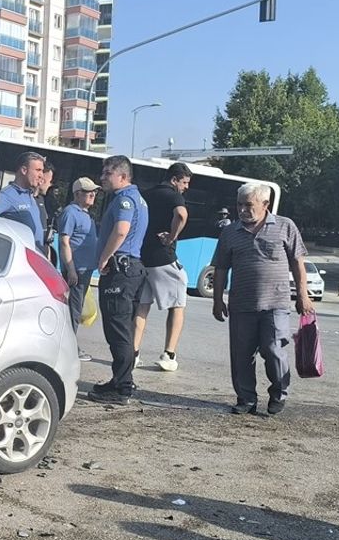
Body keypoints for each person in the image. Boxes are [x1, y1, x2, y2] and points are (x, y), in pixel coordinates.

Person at [211, 182, 313, 416]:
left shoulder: (285, 226)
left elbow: (298, 263)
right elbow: (220, 269)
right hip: (241, 305)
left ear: (265, 204)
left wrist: (303, 295)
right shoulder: (229, 232)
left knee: (273, 350)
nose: (242, 210)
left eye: (249, 205)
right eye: (239, 205)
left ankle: (279, 393)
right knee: (242, 355)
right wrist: (217, 300)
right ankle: (246, 399)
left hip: (276, 304)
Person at [87, 155, 149, 405]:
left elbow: (121, 230)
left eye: (107, 173)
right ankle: (122, 379)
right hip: (132, 270)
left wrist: (104, 257)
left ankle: (121, 386)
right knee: (124, 328)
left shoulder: (124, 199)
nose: (102, 177)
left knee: (118, 329)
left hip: (121, 271)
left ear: (122, 176)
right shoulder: (138, 199)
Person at [133, 162, 192, 372]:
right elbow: (182, 215)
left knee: (142, 306)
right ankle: (169, 354)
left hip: (143, 257)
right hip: (163, 257)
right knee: (178, 305)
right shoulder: (173, 195)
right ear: (175, 179)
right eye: (184, 182)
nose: (185, 187)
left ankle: (133, 353)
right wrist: (172, 236)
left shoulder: (146, 194)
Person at [57, 177, 100, 361]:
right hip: (77, 270)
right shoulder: (71, 213)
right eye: (88, 192)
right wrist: (71, 269)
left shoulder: (86, 214)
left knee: (77, 309)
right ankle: (69, 348)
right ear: (77, 194)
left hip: (85, 269)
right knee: (73, 312)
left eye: (94, 192)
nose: (92, 195)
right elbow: (64, 242)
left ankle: (69, 345)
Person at [0, 151, 46, 252]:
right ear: (24, 170)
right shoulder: (7, 195)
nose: (41, 175)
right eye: (38, 170)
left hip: (36, 256)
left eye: (42, 171)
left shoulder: (29, 194)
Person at [35, 159, 56, 259]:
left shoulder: (41, 200)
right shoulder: (29, 200)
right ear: (42, 180)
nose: (50, 184)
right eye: (50, 181)